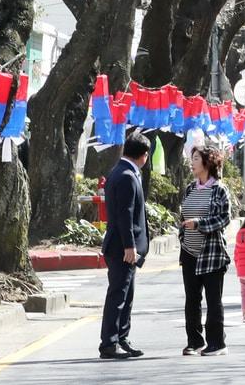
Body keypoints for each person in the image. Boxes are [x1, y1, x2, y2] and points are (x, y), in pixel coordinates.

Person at [100, 131, 150, 360]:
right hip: (122, 247)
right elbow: (124, 215)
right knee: (118, 296)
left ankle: (121, 338)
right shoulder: (128, 175)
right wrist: (130, 246)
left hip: (122, 246)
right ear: (144, 155)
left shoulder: (121, 171)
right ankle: (109, 343)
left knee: (126, 295)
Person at [178, 145, 232, 356]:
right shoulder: (190, 188)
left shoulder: (219, 189)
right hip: (189, 251)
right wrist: (183, 234)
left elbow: (224, 218)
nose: (192, 162)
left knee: (213, 299)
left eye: (196, 158)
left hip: (212, 254)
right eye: (192, 158)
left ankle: (217, 343)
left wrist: (199, 224)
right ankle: (194, 341)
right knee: (191, 299)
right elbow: (182, 217)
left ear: (208, 162)